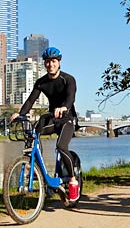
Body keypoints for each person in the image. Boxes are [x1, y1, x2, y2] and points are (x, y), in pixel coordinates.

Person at [10, 46, 80, 201]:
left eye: (53, 61)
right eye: (48, 62)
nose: (50, 65)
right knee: (33, 132)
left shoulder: (68, 79)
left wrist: (64, 107)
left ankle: (73, 181)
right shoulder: (41, 82)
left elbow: (70, 98)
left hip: (67, 119)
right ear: (45, 64)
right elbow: (30, 100)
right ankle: (34, 166)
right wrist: (20, 114)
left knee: (61, 147)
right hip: (52, 118)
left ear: (59, 63)